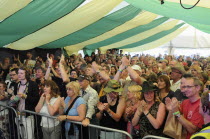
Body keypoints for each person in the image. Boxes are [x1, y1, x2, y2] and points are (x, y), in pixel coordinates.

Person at [11, 66, 39, 139]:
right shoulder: (17, 85)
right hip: (18, 114)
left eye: (21, 73)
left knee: (29, 136)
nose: (19, 75)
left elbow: (36, 99)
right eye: (18, 73)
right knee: (22, 135)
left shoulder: (33, 84)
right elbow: (16, 99)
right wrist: (13, 99)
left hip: (28, 115)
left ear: (26, 74)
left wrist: (25, 96)